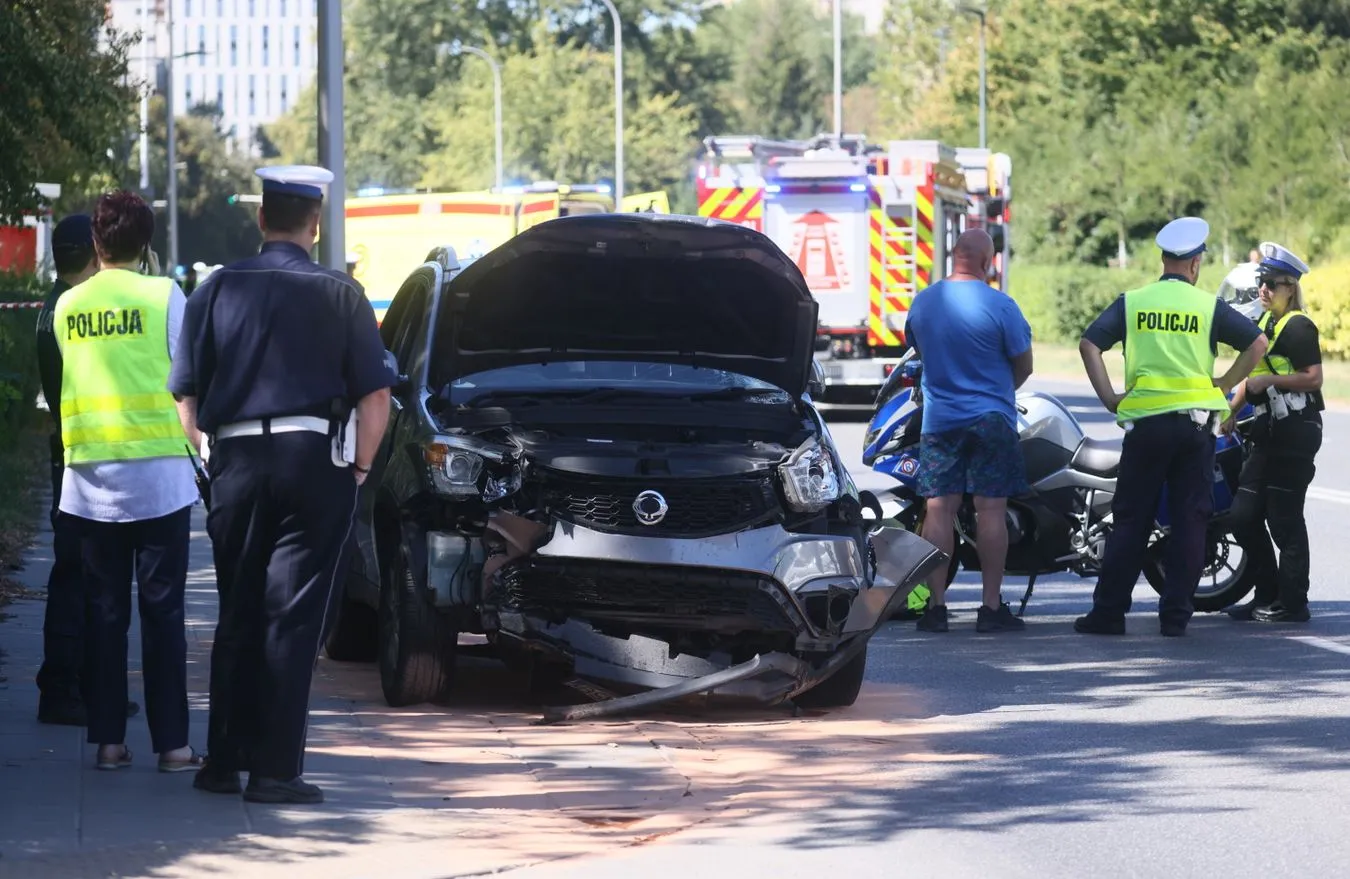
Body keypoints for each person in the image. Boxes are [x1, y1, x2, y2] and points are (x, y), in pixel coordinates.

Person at [169, 164, 393, 805]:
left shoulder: (215, 289)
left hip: (236, 462)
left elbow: (185, 392)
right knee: (289, 617)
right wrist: (357, 472)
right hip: (311, 462)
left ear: (261, 219)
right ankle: (274, 772)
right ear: (314, 226)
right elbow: (375, 396)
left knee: (236, 607)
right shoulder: (340, 292)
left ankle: (222, 762)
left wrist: (210, 454)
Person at [52, 191, 201, 770]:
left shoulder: (69, 306)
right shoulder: (166, 295)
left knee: (104, 613)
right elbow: (184, 381)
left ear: (96, 242)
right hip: (160, 477)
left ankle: (109, 743)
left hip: (89, 479)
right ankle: (174, 746)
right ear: (147, 245)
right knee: (163, 614)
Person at [1075, 217, 1268, 637]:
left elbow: (1090, 343)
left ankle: (1108, 614)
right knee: (1190, 520)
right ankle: (1175, 617)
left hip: (1146, 429)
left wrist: (1110, 397)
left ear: (1163, 260)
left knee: (1131, 520)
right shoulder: (1206, 306)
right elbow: (1257, 343)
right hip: (1194, 429)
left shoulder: (1135, 301)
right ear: (1196, 264)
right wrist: (1226, 383)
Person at [33, 215, 141, 725]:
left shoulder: (58, 306)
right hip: (79, 462)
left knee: (83, 575)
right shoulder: (67, 311)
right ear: (95, 254)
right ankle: (62, 689)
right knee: (76, 576)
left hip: (74, 458)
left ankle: (87, 687)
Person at [903, 228, 1034, 634]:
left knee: (938, 510)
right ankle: (990, 608)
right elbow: (1023, 364)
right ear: (987, 262)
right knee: (990, 510)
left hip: (940, 421)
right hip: (991, 419)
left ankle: (936, 609)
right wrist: (996, 393)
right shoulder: (1001, 305)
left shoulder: (923, 303)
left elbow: (918, 352)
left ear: (953, 256)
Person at [1223, 243, 1322, 623]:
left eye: (1271, 284)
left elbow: (1314, 378)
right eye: (1260, 283)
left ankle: (1293, 601)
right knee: (1242, 516)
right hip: (1268, 433)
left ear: (1290, 288)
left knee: (1284, 519)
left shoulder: (1298, 326)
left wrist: (1269, 379)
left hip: (1296, 432)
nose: (1263, 290)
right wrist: (1224, 415)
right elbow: (1249, 381)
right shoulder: (1267, 325)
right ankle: (1265, 592)